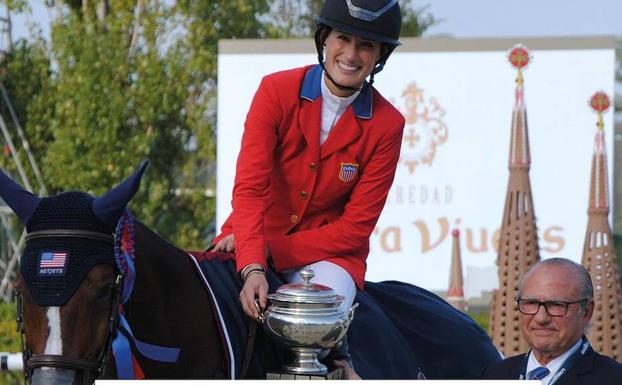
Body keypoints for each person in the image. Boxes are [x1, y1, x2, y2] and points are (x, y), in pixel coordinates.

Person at [212, 0, 404, 374]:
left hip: (328, 257)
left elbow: (354, 230)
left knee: (316, 328)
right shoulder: (275, 90)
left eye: (365, 45)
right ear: (323, 39)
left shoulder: (388, 124)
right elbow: (250, 190)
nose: (350, 54)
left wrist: (272, 249)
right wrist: (253, 265)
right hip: (249, 238)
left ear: (379, 54)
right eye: (342, 38)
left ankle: (340, 364)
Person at [482, 258, 622, 384]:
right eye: (531, 303)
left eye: (557, 305)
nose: (541, 318)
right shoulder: (495, 375)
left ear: (586, 311)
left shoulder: (614, 379)